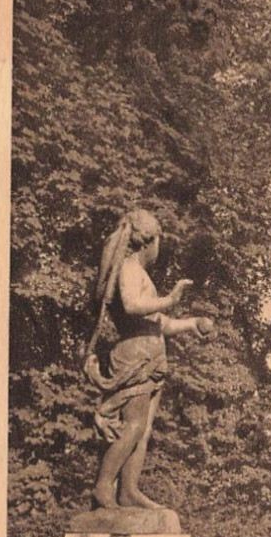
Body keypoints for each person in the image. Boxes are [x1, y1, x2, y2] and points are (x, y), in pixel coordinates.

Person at [84, 209, 213, 509]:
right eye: (159, 241)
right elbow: (130, 305)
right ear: (148, 241)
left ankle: (128, 490)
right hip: (135, 358)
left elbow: (160, 323)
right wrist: (170, 299)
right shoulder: (128, 268)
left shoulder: (140, 274)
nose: (159, 247)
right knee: (132, 427)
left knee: (142, 430)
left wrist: (191, 323)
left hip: (150, 358)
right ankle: (103, 487)